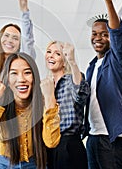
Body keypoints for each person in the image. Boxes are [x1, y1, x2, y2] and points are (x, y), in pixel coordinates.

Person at [0, 52, 61, 169]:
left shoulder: (42, 102)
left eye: (27, 73)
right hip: (3, 163)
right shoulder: (1, 102)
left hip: (34, 163)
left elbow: (51, 142)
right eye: (14, 74)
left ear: (34, 77)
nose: (21, 79)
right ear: (7, 78)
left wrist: (50, 98)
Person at [83, 0, 122, 169]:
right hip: (94, 137)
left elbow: (118, 34)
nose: (98, 37)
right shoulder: (92, 66)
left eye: (104, 34)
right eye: (94, 33)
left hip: (112, 139)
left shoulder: (118, 60)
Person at [44, 41, 90, 169]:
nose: (51, 56)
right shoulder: (46, 85)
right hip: (49, 145)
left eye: (57, 53)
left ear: (64, 61)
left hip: (69, 146)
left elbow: (80, 92)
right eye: (49, 52)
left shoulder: (72, 80)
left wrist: (72, 61)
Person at [0, 0, 36, 81]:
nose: (10, 40)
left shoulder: (23, 61)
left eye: (15, 38)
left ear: (20, 44)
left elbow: (27, 40)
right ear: (0, 39)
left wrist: (24, 9)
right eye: (6, 36)